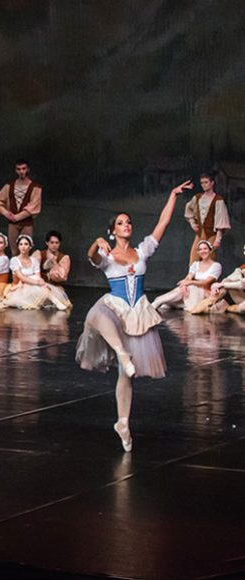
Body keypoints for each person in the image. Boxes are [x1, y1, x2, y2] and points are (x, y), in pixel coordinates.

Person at [76, 180, 192, 452]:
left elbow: (163, 223)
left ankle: (123, 423)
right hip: (115, 306)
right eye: (120, 223)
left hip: (137, 311)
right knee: (96, 314)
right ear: (113, 231)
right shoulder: (107, 255)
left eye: (128, 222)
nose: (126, 225)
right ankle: (122, 352)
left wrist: (172, 195)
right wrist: (96, 243)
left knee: (125, 375)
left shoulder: (141, 251)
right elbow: (92, 258)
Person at [151, 240, 221, 312]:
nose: (202, 251)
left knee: (190, 287)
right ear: (198, 252)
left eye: (205, 248)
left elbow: (206, 282)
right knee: (184, 289)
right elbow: (188, 277)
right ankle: (162, 302)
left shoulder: (216, 266)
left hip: (204, 292)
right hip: (193, 289)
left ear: (210, 250)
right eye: (200, 249)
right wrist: (184, 285)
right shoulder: (196, 264)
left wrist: (190, 282)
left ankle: (162, 302)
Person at [4, 235, 69, 310]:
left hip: (31, 286)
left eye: (26, 244)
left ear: (30, 246)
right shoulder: (15, 260)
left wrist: (42, 283)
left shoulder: (33, 260)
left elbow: (38, 276)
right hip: (19, 287)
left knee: (40, 283)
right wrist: (38, 282)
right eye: (21, 244)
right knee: (33, 278)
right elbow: (22, 278)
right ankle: (55, 301)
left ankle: (53, 300)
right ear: (18, 246)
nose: (23, 247)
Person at [0, 159, 42, 243]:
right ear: (16, 170)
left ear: (28, 169)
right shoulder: (9, 186)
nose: (21, 171)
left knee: (26, 247)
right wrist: (7, 214)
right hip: (12, 224)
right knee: (13, 249)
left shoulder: (35, 187)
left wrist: (17, 217)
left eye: (23, 168)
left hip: (26, 223)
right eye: (18, 169)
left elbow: (34, 206)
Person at [184, 171, 230, 265]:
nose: (204, 185)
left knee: (209, 258)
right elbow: (189, 210)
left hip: (211, 234)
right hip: (200, 233)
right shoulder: (198, 197)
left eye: (206, 182)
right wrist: (192, 223)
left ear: (212, 183)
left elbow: (221, 220)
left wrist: (218, 239)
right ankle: (192, 274)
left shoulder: (218, 200)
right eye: (202, 183)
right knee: (194, 257)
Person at [34, 230, 72, 309]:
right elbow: (32, 271)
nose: (54, 245)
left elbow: (63, 277)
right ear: (47, 243)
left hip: (55, 286)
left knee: (58, 292)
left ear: (59, 243)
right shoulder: (39, 254)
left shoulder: (64, 258)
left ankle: (53, 300)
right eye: (52, 242)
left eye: (56, 243)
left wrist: (54, 263)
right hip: (40, 284)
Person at [204, 244, 245, 313]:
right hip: (241, 298)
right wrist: (218, 286)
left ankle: (229, 308)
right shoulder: (243, 267)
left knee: (242, 307)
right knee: (227, 281)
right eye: (244, 250)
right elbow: (233, 276)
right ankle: (211, 302)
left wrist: (223, 284)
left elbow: (243, 284)